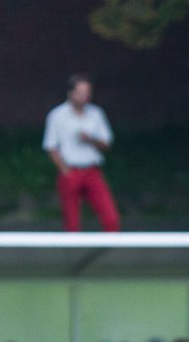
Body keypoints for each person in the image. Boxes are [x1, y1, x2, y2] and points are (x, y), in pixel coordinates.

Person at [42, 73, 120, 233]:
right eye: (81, 92)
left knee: (110, 217)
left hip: (92, 170)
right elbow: (51, 146)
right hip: (71, 170)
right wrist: (65, 170)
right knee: (72, 221)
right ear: (71, 93)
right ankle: (73, 256)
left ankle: (111, 250)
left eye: (87, 92)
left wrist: (90, 139)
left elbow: (106, 143)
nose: (85, 96)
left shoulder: (96, 113)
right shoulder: (57, 115)